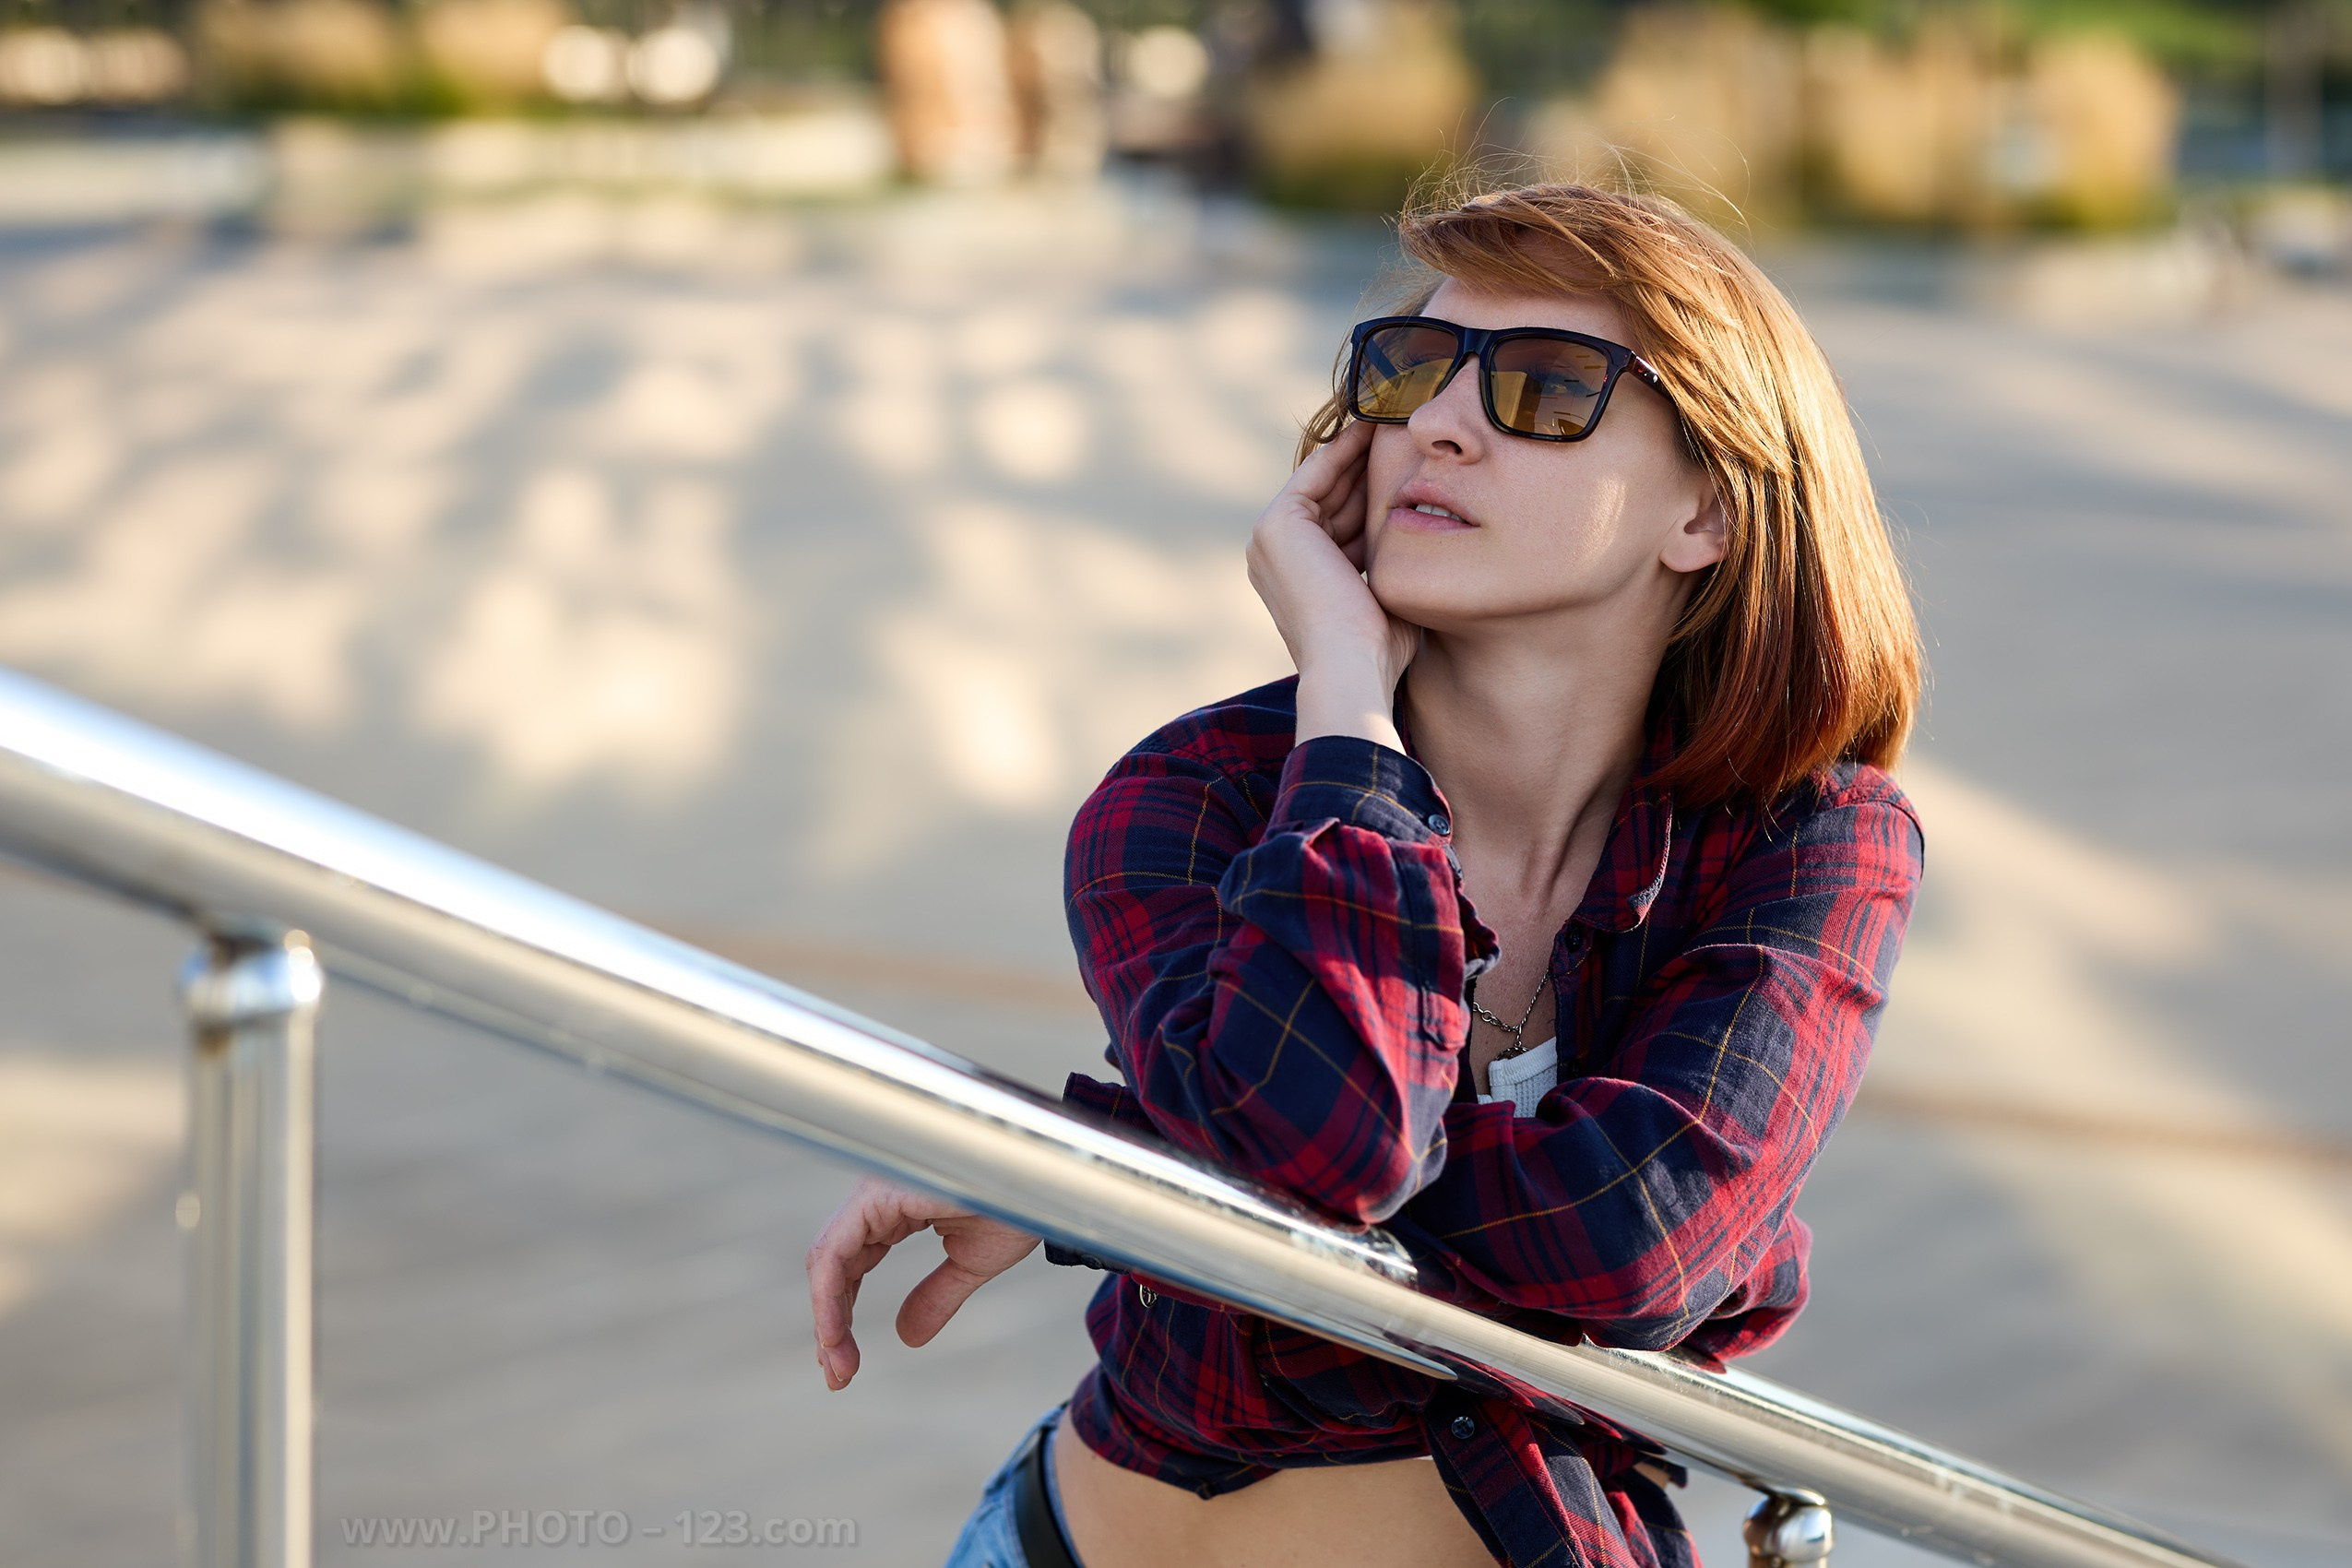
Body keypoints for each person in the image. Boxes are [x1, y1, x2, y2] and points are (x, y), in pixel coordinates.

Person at [802, 180, 1925, 1568]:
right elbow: (1339, 1145)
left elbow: (1632, 1246)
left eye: (1546, 390)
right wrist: (1343, 703)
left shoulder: (1810, 843)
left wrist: (1120, 1167)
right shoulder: (1191, 800)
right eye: (1406, 372)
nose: (1437, 426)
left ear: (1703, 510)